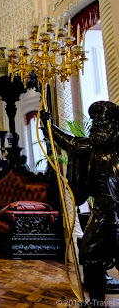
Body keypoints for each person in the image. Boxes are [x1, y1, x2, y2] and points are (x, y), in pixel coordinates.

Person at [41, 101, 119, 306]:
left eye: (102, 122)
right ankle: (96, 303)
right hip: (102, 212)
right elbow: (68, 141)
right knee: (89, 253)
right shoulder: (89, 147)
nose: (96, 126)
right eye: (95, 122)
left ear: (113, 124)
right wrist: (47, 125)